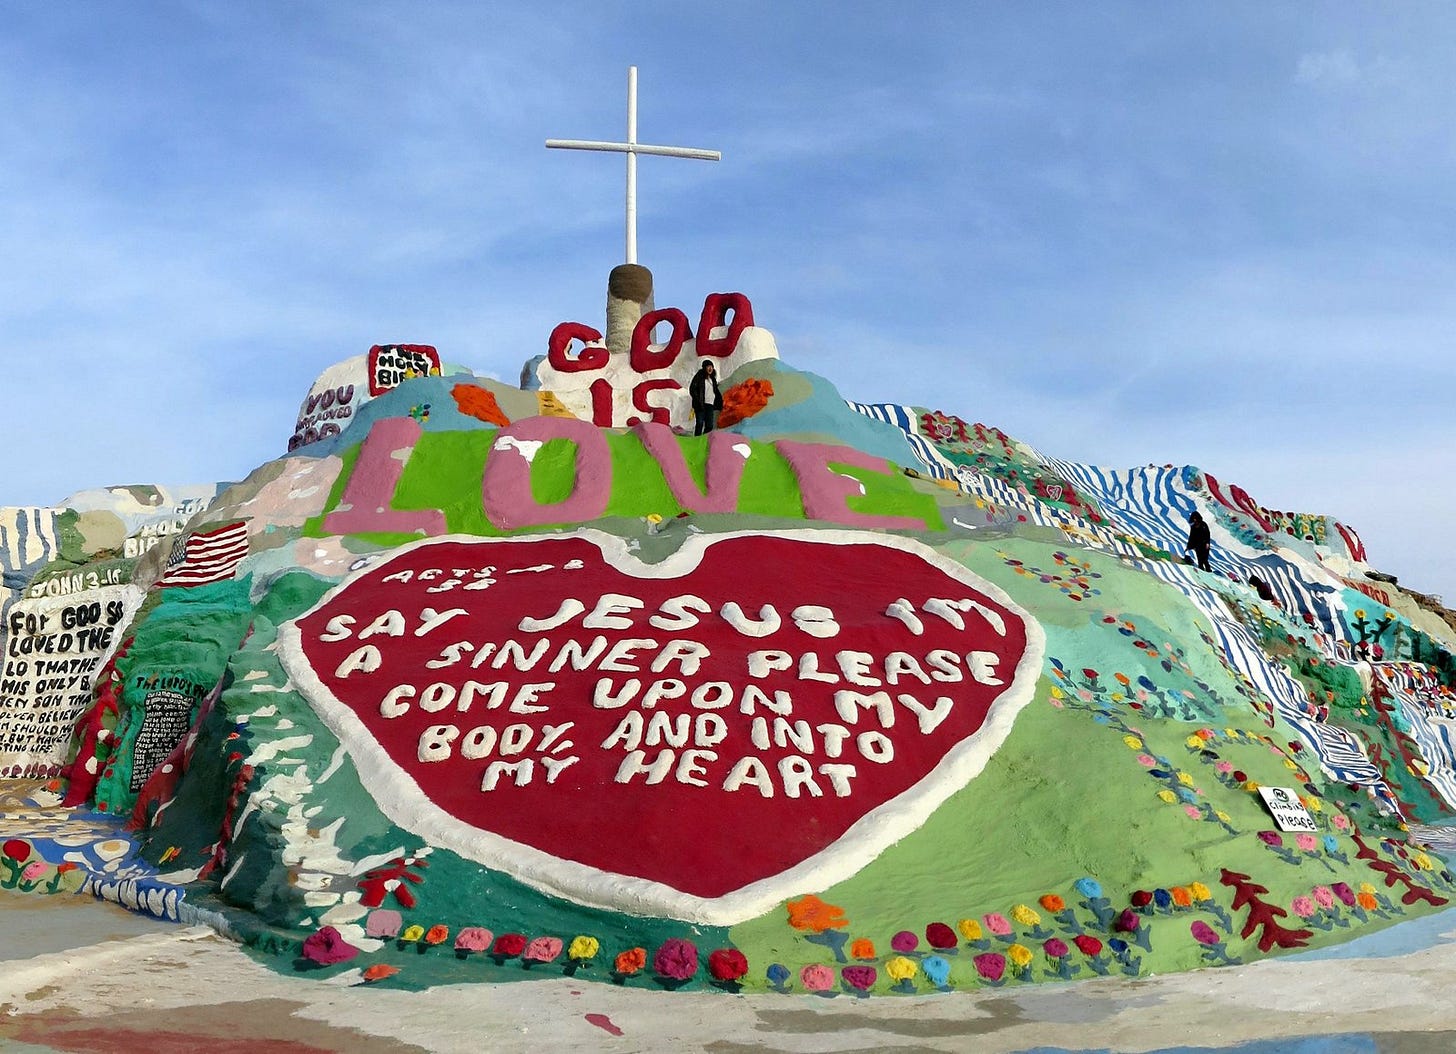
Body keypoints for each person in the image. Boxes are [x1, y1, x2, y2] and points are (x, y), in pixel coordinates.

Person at [689, 360, 723, 436]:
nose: (710, 368)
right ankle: (697, 440)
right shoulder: (699, 377)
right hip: (700, 404)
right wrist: (697, 400)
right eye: (708, 367)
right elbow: (692, 389)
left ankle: (704, 439)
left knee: (710, 425)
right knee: (700, 423)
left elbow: (715, 392)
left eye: (711, 367)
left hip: (710, 405)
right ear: (704, 368)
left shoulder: (713, 380)